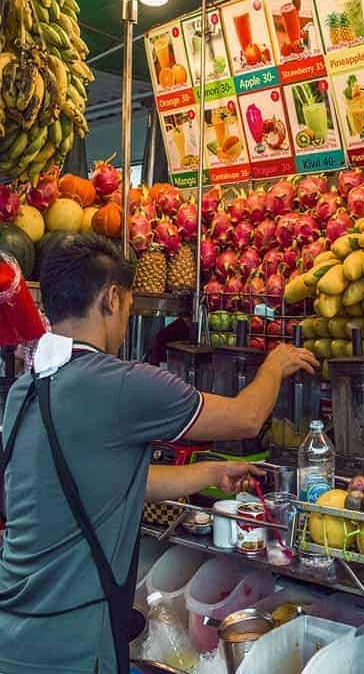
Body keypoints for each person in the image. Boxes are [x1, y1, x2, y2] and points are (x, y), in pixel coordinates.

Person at [0, 236, 318, 674]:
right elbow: (246, 418)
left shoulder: (24, 390)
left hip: (12, 634)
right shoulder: (122, 384)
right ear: (112, 299)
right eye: (129, 308)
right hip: (72, 646)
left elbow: (103, 481)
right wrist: (274, 365)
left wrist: (209, 472)